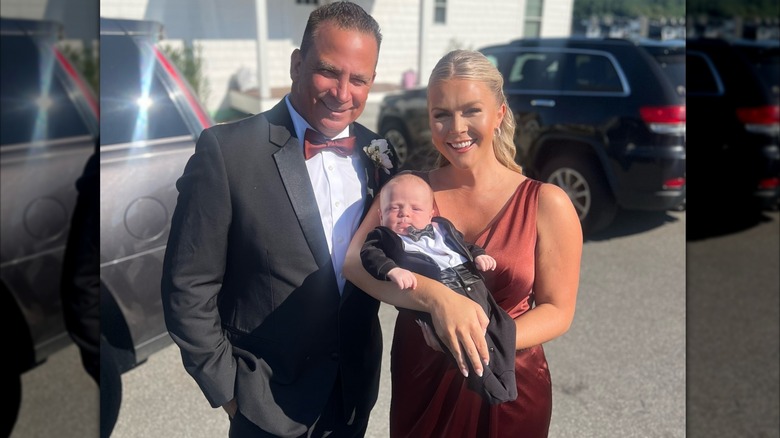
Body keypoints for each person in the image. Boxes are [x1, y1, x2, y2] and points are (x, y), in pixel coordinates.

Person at [160, 2, 397, 437]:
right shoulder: (227, 152)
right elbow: (187, 286)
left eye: (358, 79)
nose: (343, 93)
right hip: (262, 405)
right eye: (329, 71)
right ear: (296, 63)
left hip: (350, 400)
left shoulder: (379, 154)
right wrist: (229, 391)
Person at [343, 49, 582, 437]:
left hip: (510, 382)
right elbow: (354, 262)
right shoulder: (408, 192)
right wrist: (435, 300)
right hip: (422, 374)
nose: (456, 128)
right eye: (441, 114)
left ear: (500, 114)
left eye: (471, 111)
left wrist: (480, 342)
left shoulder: (546, 202)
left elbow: (558, 310)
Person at [360, 171, 518, 405]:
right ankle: (486, 384)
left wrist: (479, 256)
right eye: (394, 208)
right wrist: (392, 270)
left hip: (471, 282)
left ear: (432, 213)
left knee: (504, 325)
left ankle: (506, 375)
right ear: (381, 216)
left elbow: (465, 245)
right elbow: (369, 254)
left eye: (415, 208)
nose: (405, 214)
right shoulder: (385, 238)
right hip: (442, 287)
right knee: (460, 341)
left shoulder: (443, 229)